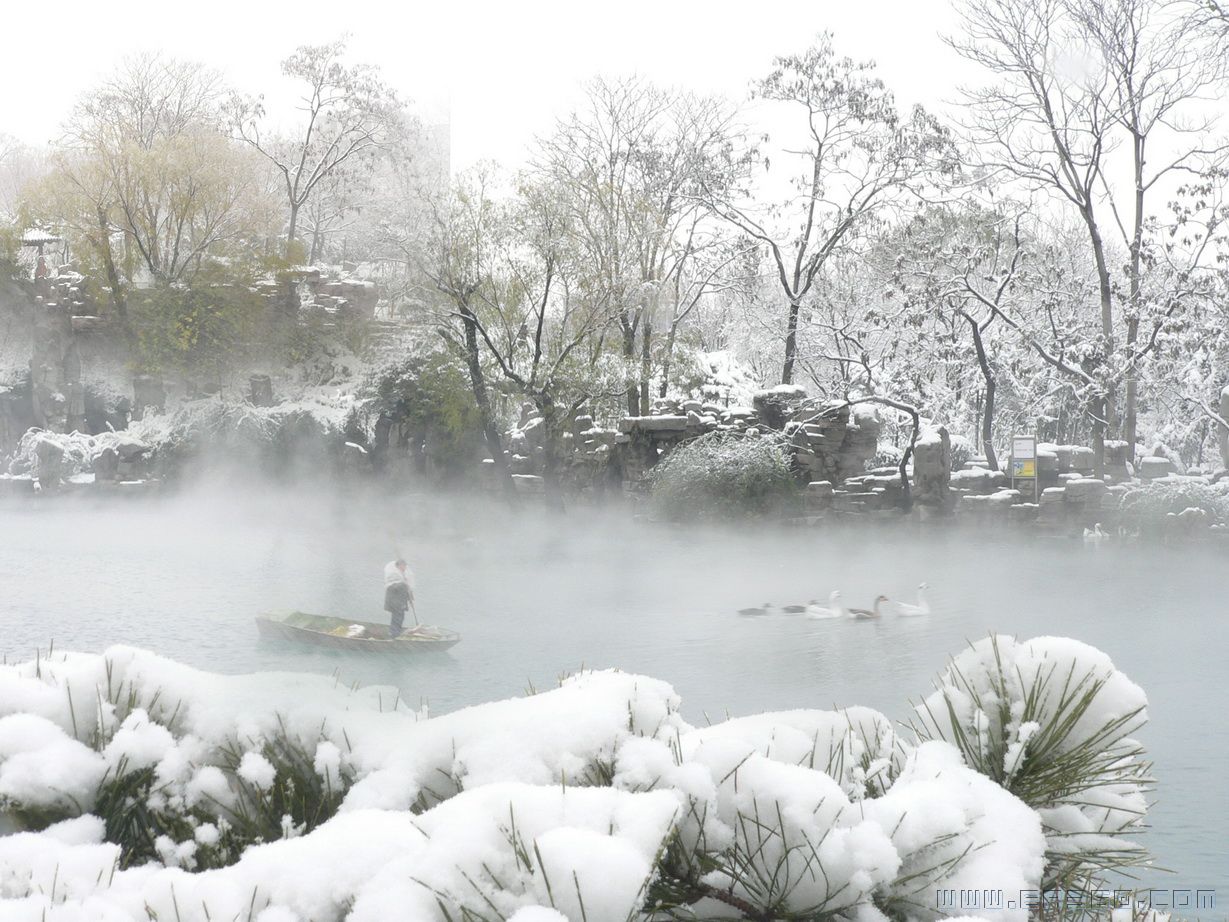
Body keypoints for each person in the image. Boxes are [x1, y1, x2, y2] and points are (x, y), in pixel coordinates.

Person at [383, 558, 414, 638]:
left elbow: (407, 589)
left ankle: (394, 632)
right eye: (403, 566)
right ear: (399, 566)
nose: (404, 567)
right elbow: (394, 588)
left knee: (399, 617)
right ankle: (394, 634)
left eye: (405, 566)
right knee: (397, 617)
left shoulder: (404, 576)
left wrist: (410, 597)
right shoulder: (394, 576)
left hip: (400, 603)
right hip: (396, 603)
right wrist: (403, 583)